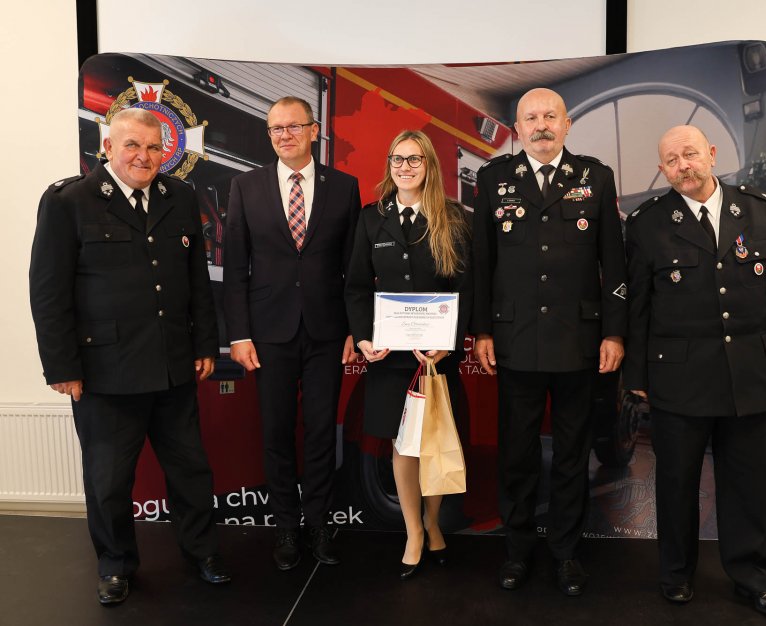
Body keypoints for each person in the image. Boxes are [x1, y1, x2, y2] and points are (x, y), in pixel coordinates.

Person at [28, 107, 229, 606]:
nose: (144, 156)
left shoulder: (180, 196)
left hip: (172, 364)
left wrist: (205, 343)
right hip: (105, 372)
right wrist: (62, 367)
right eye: (132, 145)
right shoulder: (68, 201)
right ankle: (115, 564)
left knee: (191, 471)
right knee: (109, 481)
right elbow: (48, 291)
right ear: (108, 148)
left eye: (154, 147)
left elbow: (196, 279)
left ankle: (203, 553)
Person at [623, 125, 766, 618]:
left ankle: (754, 578)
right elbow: (637, 306)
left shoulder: (760, 211)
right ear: (662, 170)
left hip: (749, 372)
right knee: (677, 482)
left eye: (689, 154)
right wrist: (636, 375)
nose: (682, 165)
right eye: (671, 160)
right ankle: (676, 574)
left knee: (747, 484)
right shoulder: (647, 224)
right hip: (678, 377)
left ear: (710, 153)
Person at [472, 88, 628, 596]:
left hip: (578, 340)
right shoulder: (494, 179)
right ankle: (517, 550)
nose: (541, 125)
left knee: (570, 453)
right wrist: (482, 329)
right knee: (517, 453)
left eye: (550, 116)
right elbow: (482, 261)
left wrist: (613, 331)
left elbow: (614, 262)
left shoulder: (595, 177)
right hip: (515, 338)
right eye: (531, 118)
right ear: (517, 128)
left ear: (567, 124)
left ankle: (565, 552)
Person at [223, 96, 361, 570]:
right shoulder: (245, 186)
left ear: (313, 130)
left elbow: (353, 269)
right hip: (268, 333)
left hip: (327, 331)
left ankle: (319, 523)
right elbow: (235, 267)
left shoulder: (344, 187)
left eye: (293, 126)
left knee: (322, 431)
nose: (284, 135)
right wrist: (239, 334)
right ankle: (286, 525)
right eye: (276, 129)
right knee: (276, 431)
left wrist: (354, 329)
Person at [345, 129, 472, 580]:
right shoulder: (371, 218)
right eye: (397, 159)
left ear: (429, 165)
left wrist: (449, 340)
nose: (405, 167)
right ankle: (413, 532)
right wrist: (363, 337)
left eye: (414, 159)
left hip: (435, 357)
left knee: (433, 444)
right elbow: (357, 286)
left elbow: (465, 286)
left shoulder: (452, 218)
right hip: (391, 356)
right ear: (389, 165)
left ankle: (433, 524)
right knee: (402, 446)